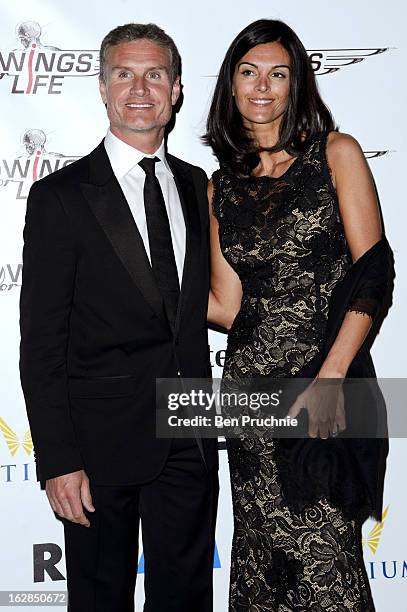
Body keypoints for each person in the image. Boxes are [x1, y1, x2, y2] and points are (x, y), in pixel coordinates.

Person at [20, 22, 218, 612]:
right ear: (103, 89)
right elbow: (42, 345)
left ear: (176, 89)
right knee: (100, 599)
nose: (140, 88)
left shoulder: (195, 184)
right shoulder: (61, 196)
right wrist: (58, 461)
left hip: (188, 433)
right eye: (124, 75)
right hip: (97, 447)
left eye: (154, 75)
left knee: (185, 597)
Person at [205, 18, 394, 611]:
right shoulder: (220, 188)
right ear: (231, 87)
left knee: (326, 563)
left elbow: (375, 273)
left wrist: (332, 377)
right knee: (262, 563)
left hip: (323, 389)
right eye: (248, 72)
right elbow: (228, 307)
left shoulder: (336, 154)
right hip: (249, 404)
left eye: (278, 74)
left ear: (297, 85)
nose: (263, 86)